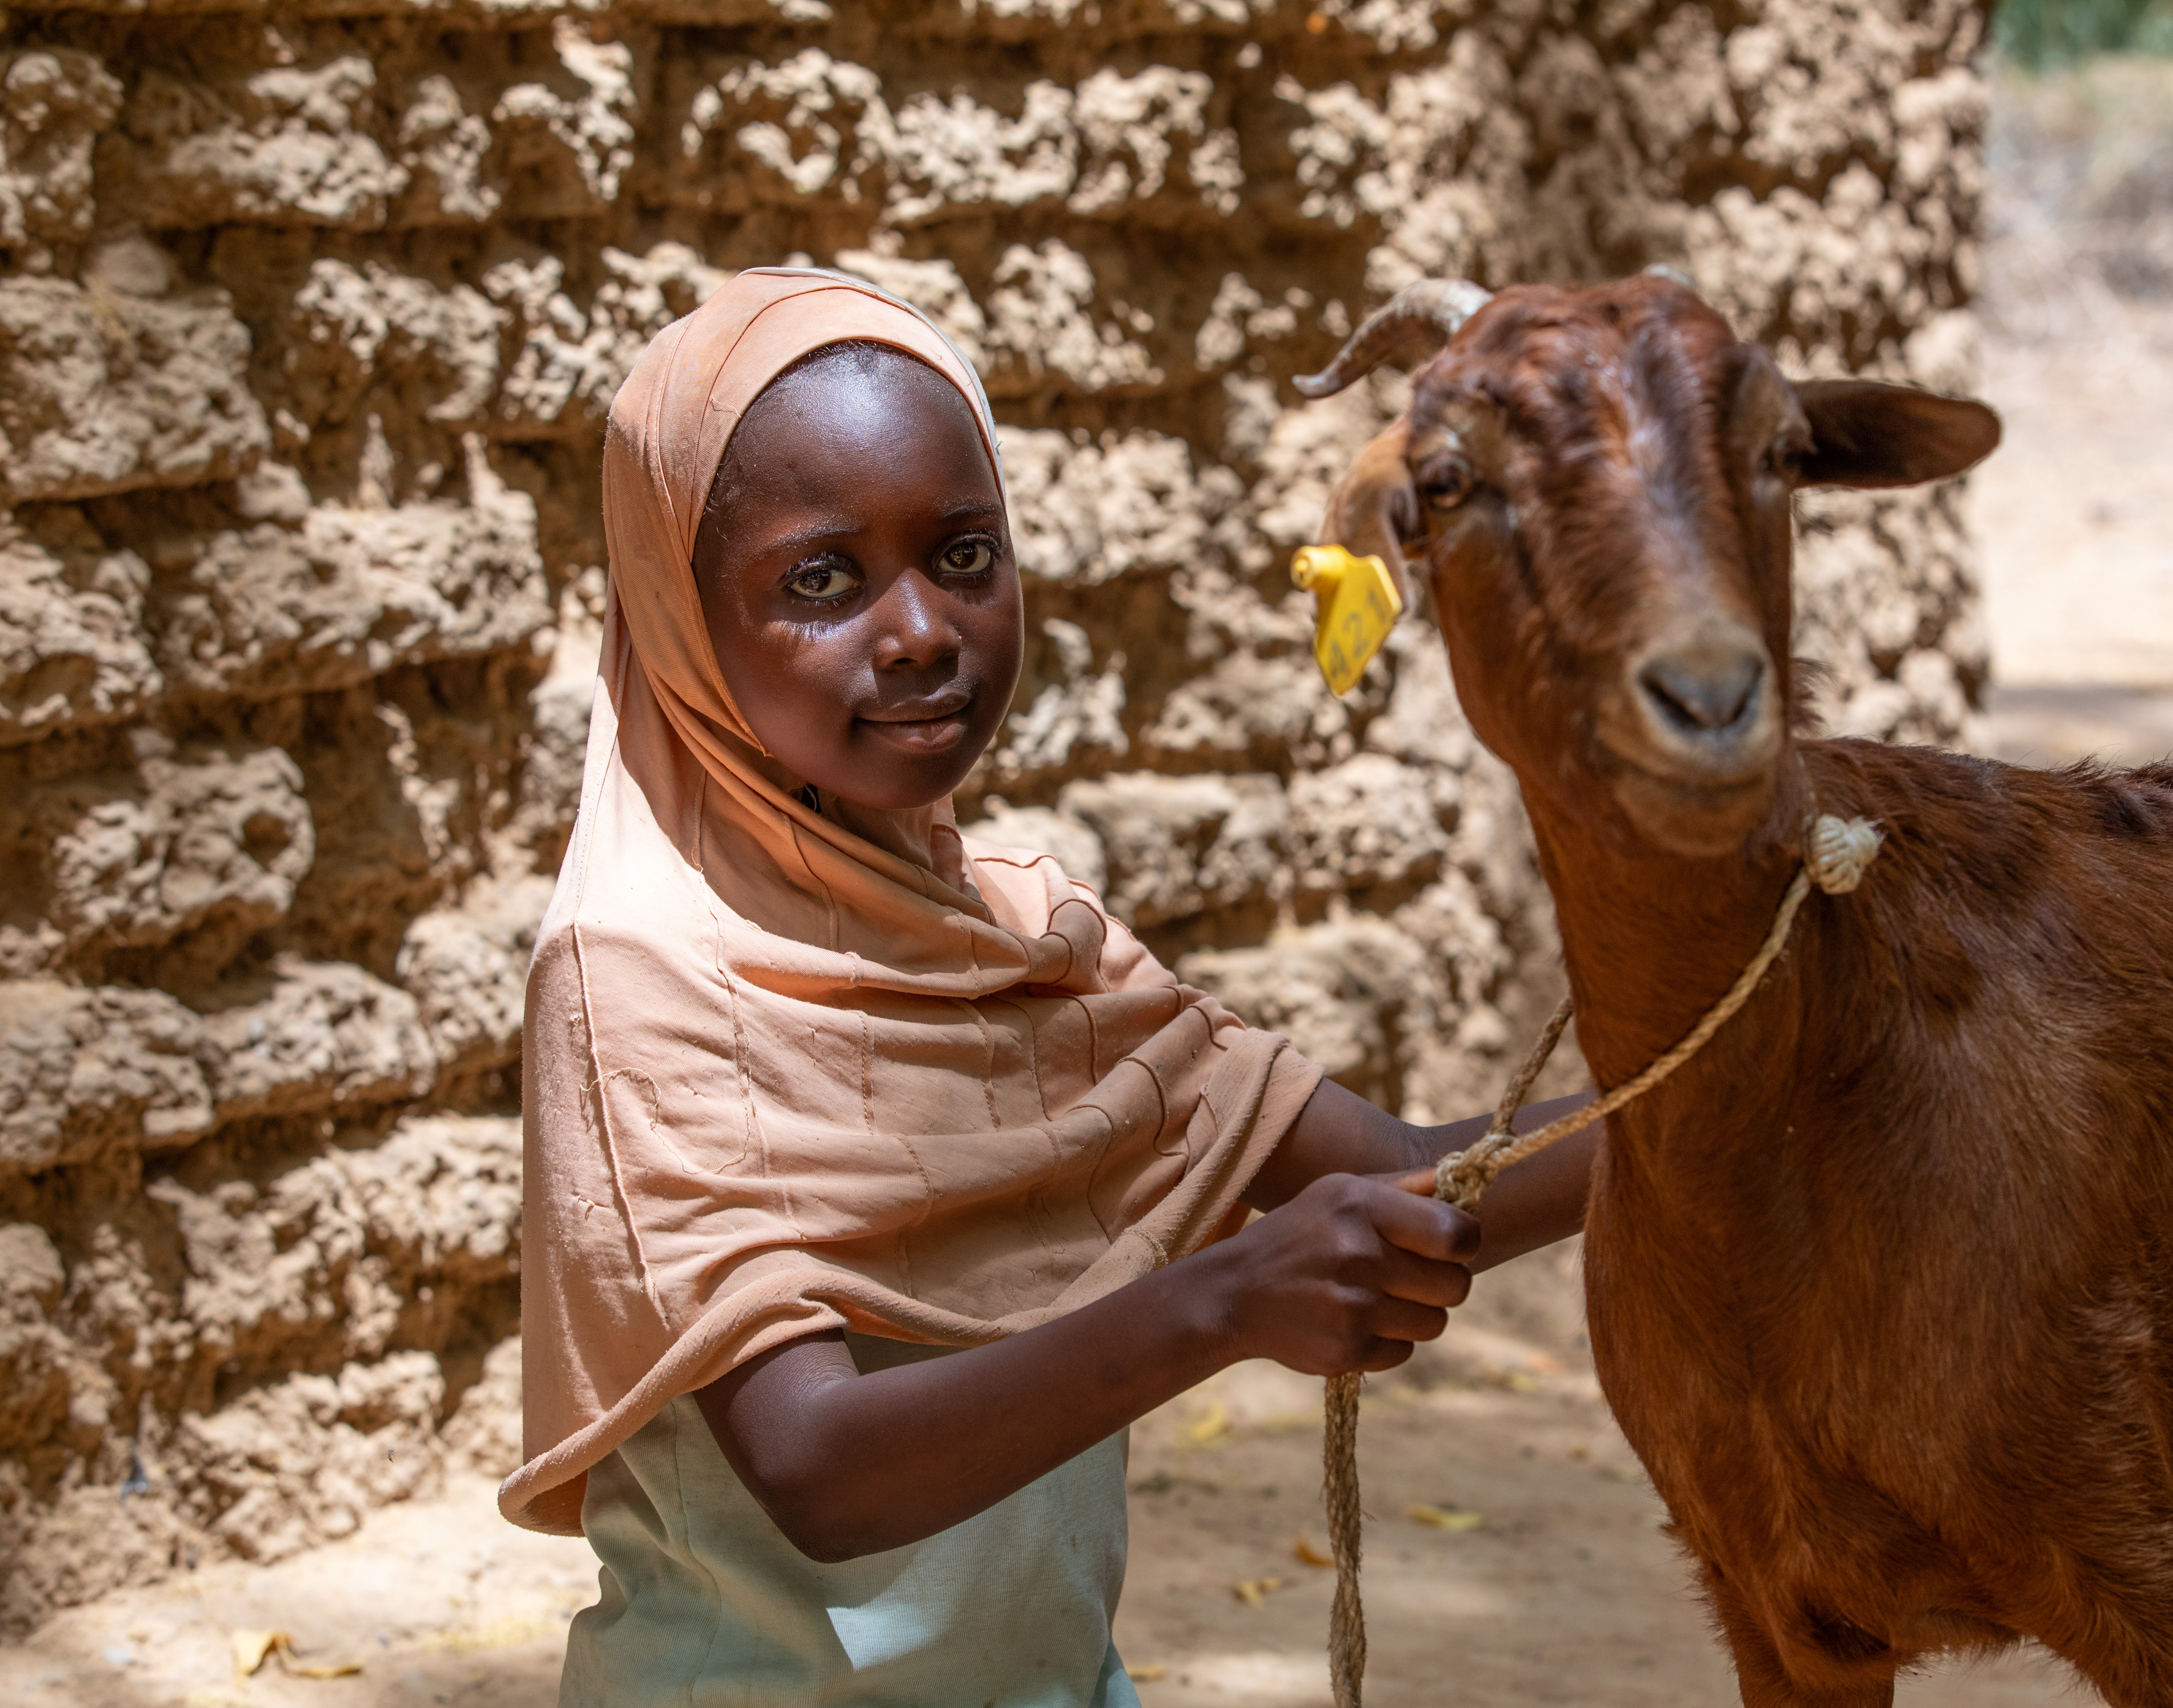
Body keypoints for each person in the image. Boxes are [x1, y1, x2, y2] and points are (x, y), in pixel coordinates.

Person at [498, 267, 1599, 1707]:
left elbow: (1405, 1175)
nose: (916, 629)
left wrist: (1755, 1053)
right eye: (819, 580)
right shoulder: (638, 975)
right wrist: (1217, 1302)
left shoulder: (1025, 939)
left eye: (962, 555)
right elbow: (815, 1465)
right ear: (680, 618)